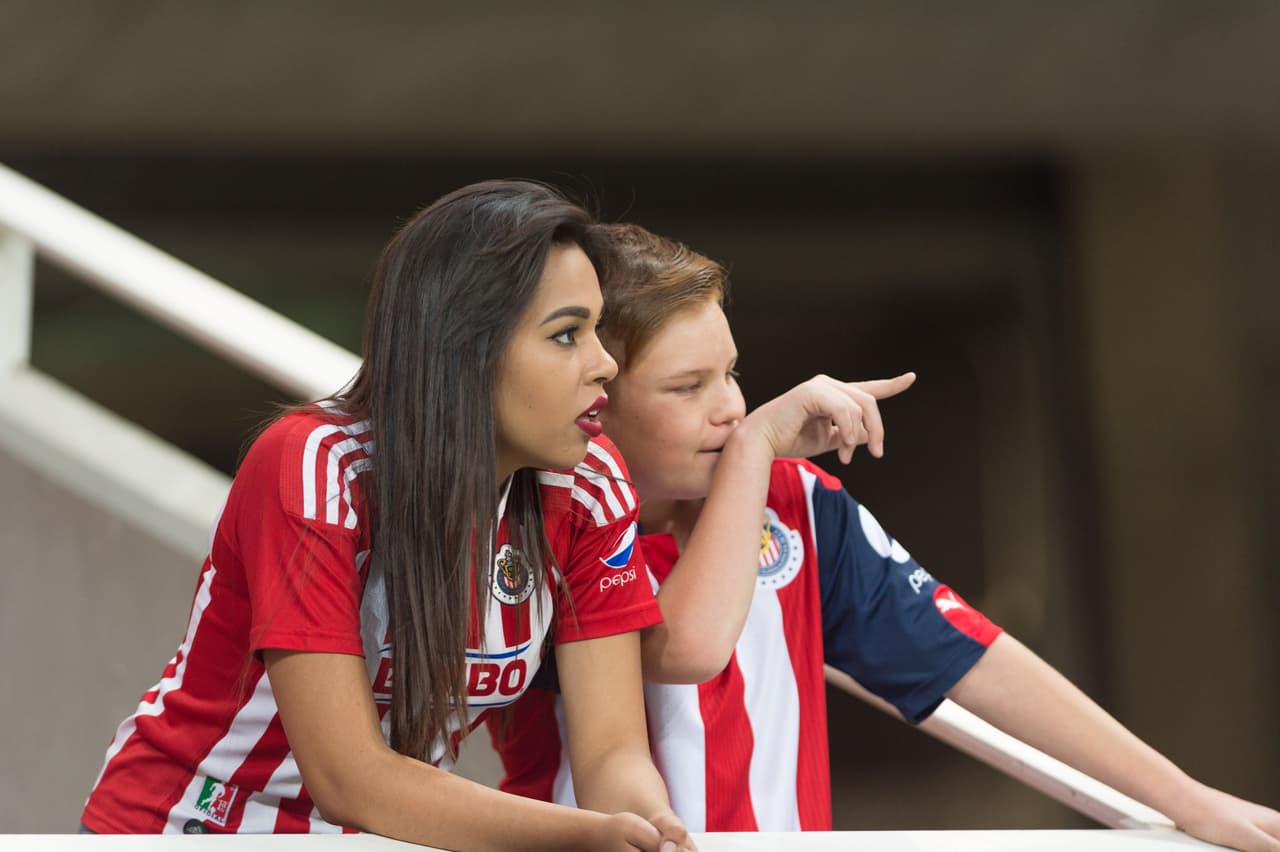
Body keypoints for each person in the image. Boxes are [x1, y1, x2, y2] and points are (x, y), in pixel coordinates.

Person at [490, 224, 1280, 852]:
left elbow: (967, 656)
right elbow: (686, 643)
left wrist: (1185, 799)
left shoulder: (799, 502)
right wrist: (758, 450)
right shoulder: (532, 513)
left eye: (731, 374)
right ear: (598, 396)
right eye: (687, 387)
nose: (730, 408)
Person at [81, 181, 694, 850]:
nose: (605, 364)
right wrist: (579, 838)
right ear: (467, 348)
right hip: (184, 829)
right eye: (567, 334)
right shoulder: (314, 465)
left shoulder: (591, 485)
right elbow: (349, 777)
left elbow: (609, 754)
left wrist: (649, 828)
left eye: (597, 331)